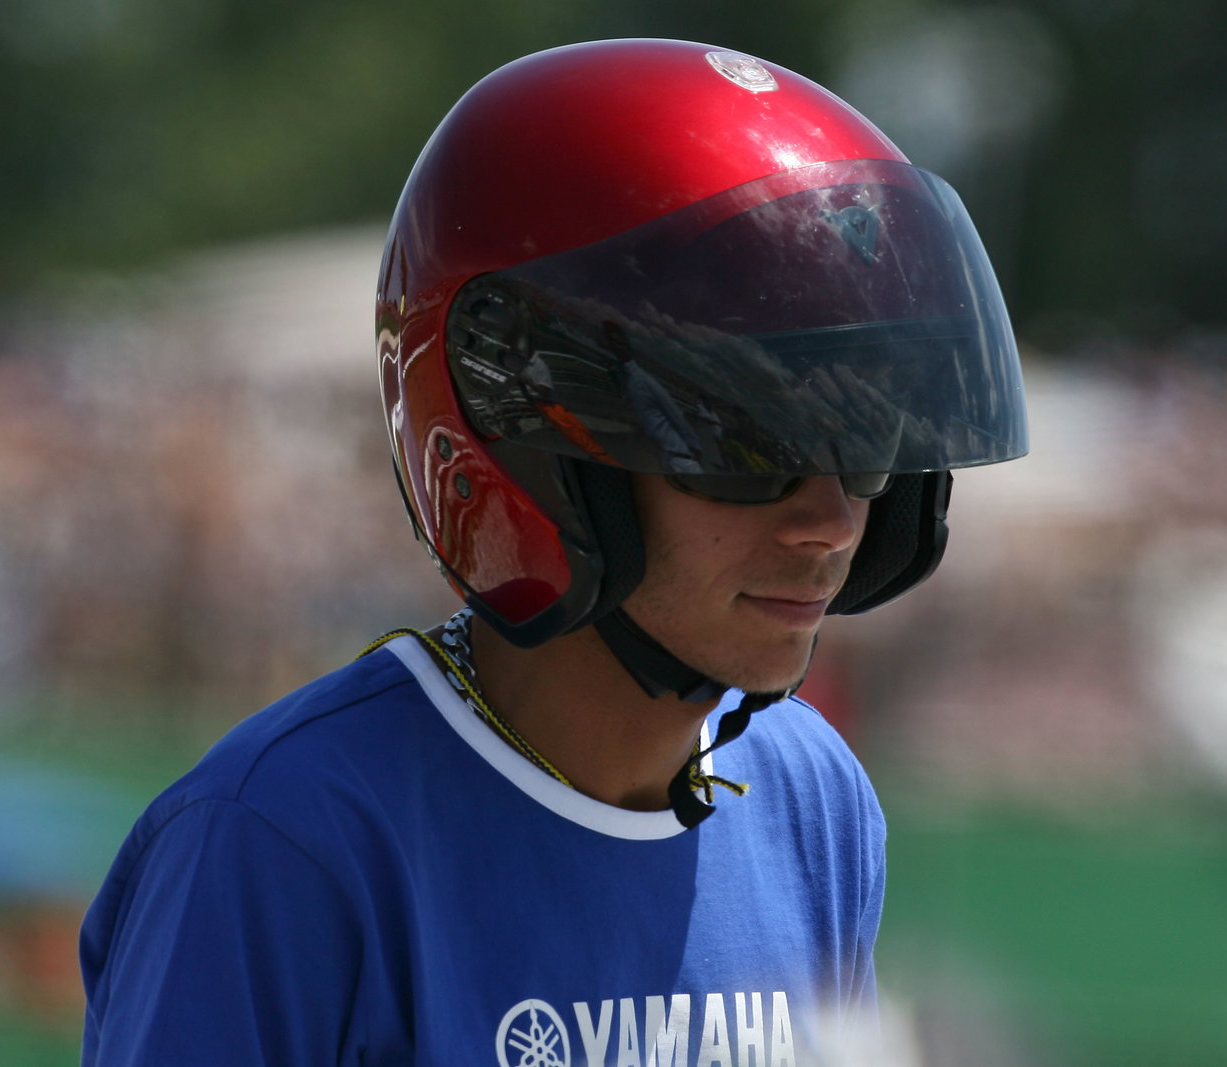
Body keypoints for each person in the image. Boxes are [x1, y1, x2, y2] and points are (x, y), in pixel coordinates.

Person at [79, 38, 1028, 1065]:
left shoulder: (815, 798)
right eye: (746, 449)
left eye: (867, 449)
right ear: (527, 446)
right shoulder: (282, 836)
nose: (830, 523)